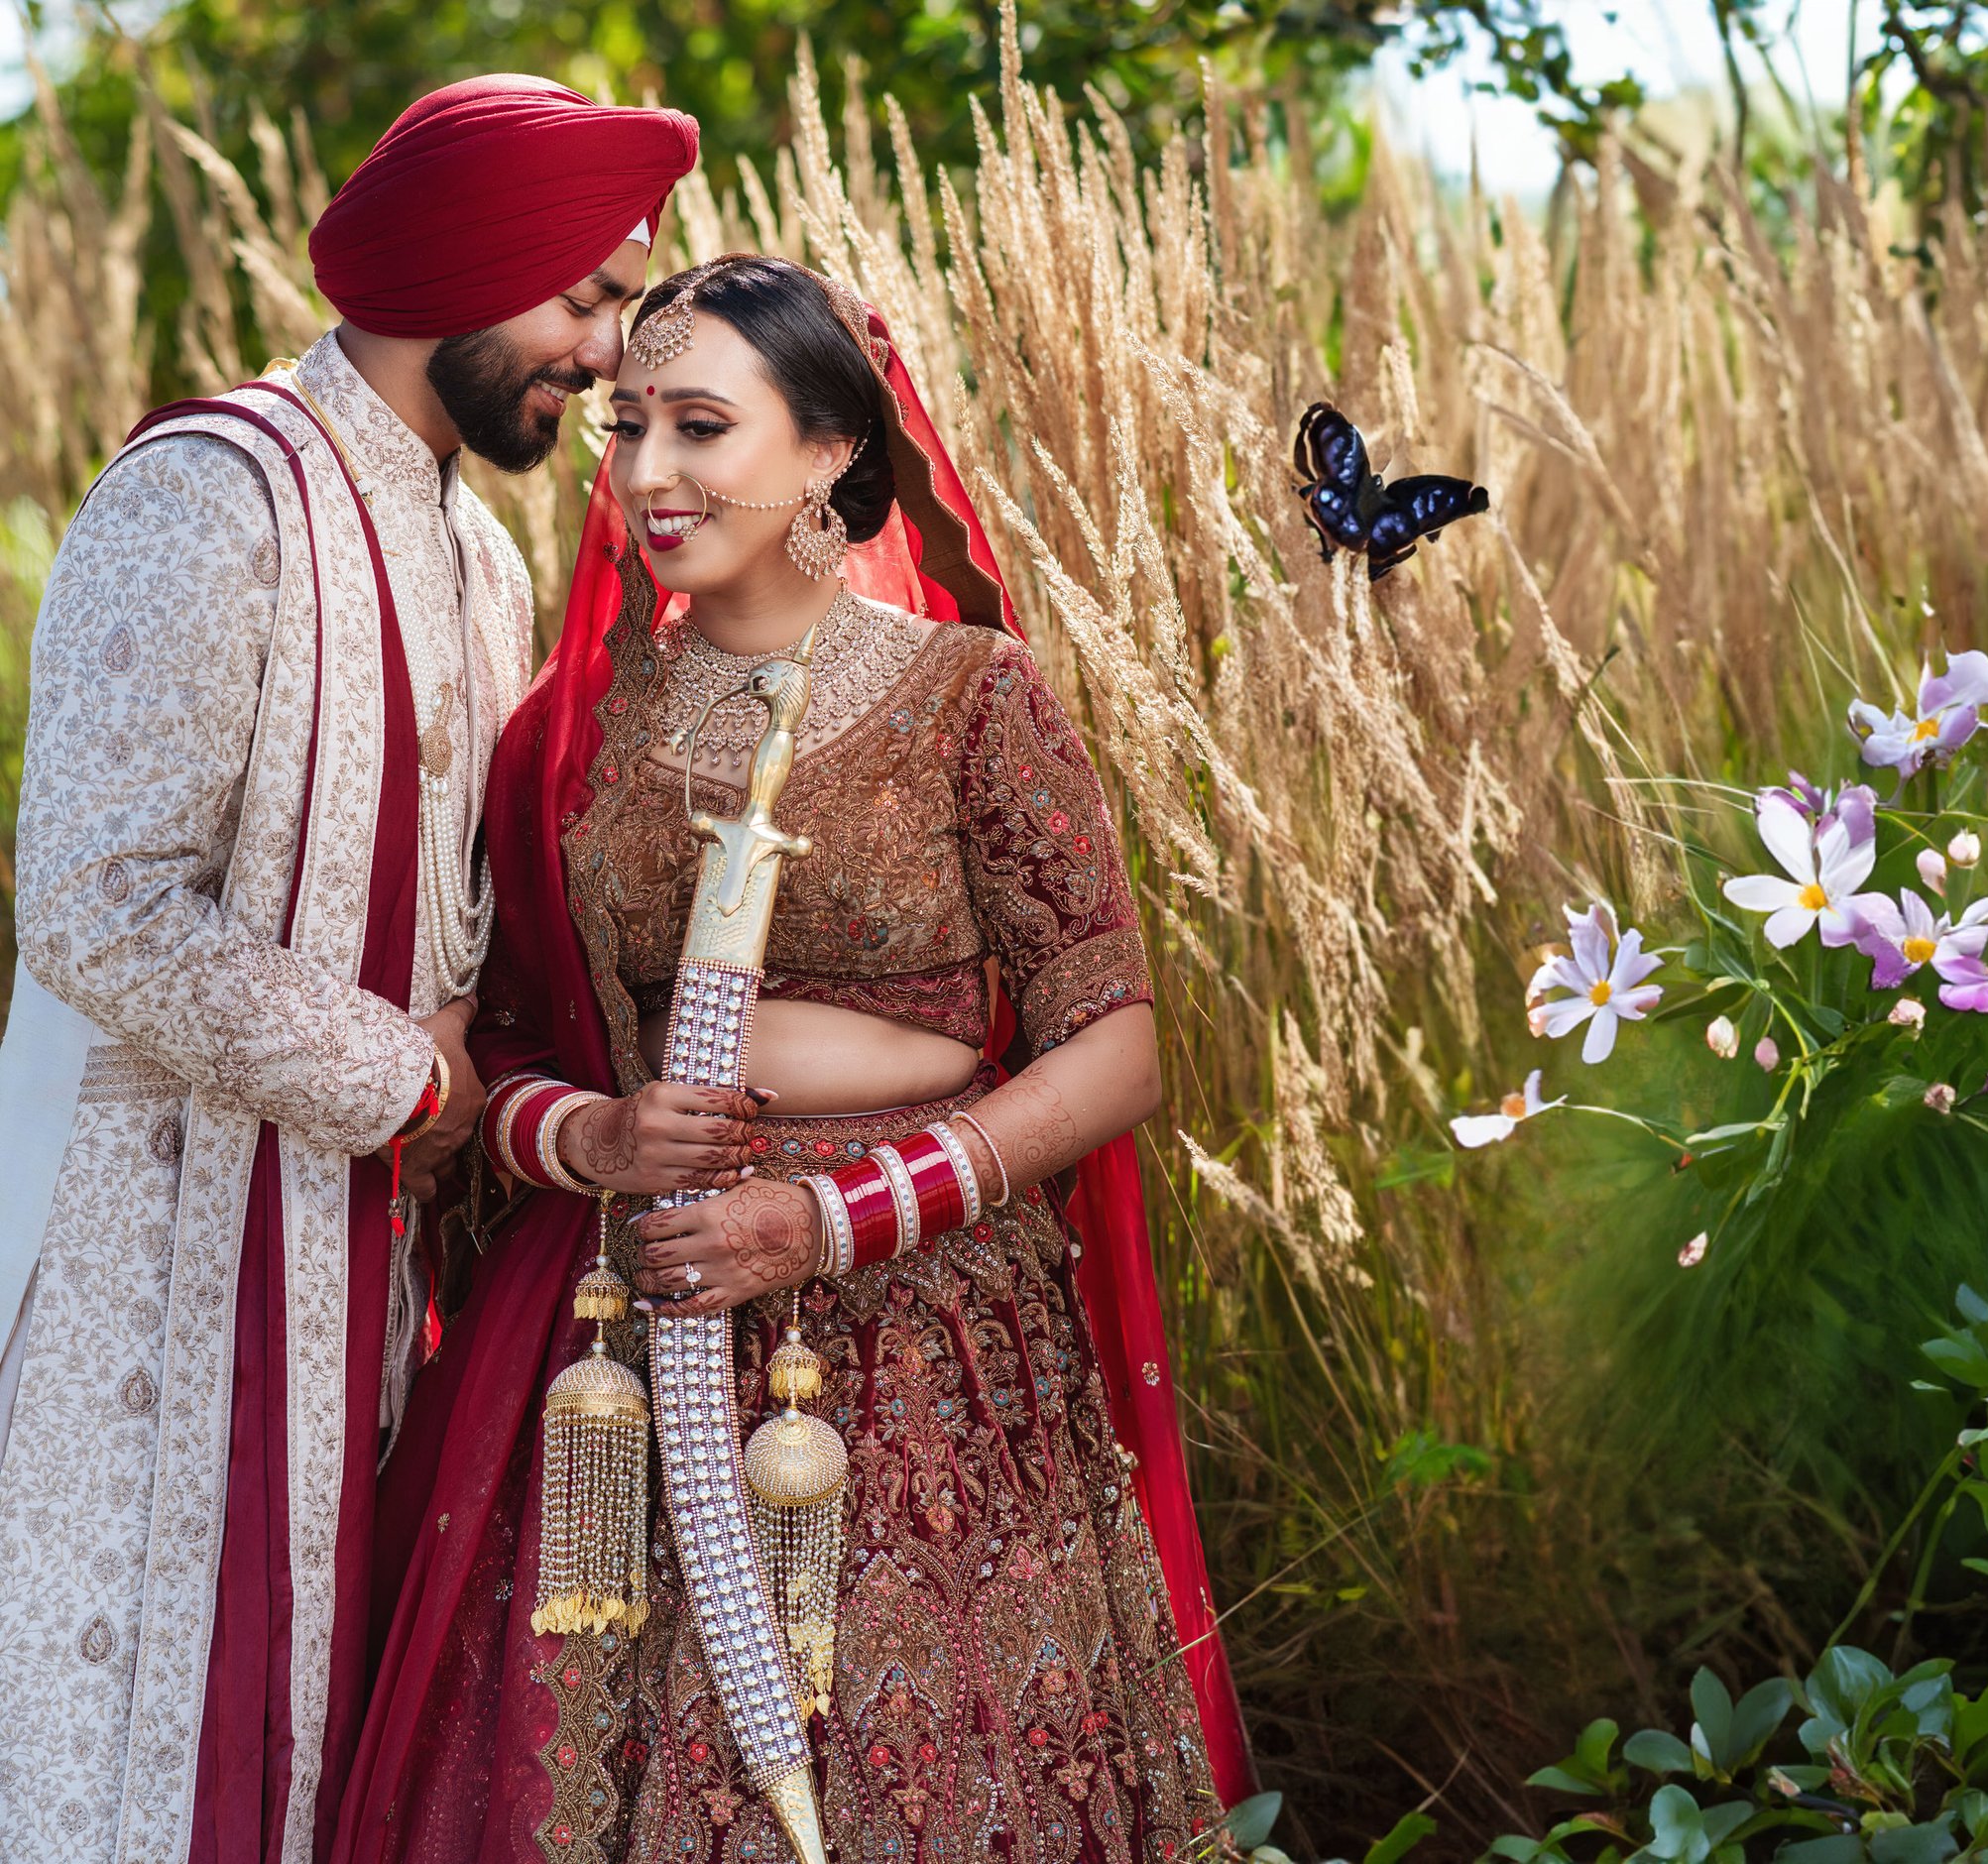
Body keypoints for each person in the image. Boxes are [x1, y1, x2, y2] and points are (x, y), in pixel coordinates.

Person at [339, 254, 1251, 1862]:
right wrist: (592, 1139)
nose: (649, 474)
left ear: (831, 448)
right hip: (629, 1335)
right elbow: (501, 1051)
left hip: (921, 1341)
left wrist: (831, 1220)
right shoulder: (572, 730)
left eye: (702, 426)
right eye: (628, 427)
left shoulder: (973, 696)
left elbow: (1114, 1049)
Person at [0, 76, 697, 1864]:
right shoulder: (206, 494)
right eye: (582, 300)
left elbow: (449, 904)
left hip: (362, 1257)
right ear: (463, 275)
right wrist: (413, 1083)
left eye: (620, 305)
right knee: (124, 1751)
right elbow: (94, 900)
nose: (605, 355)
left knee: (301, 1740)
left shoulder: (475, 546)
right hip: (141, 1249)